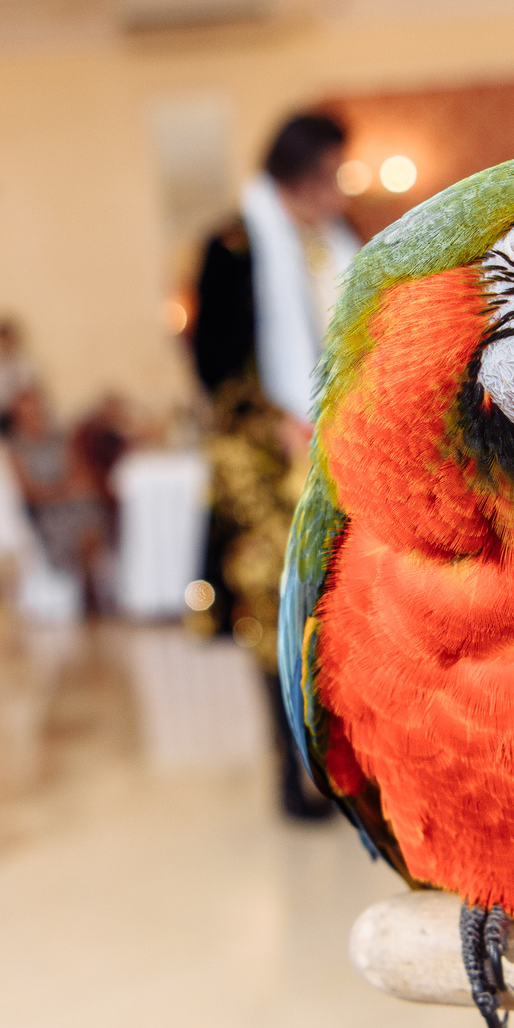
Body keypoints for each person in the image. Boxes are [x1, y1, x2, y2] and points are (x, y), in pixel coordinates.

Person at [188, 110, 359, 819]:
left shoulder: (338, 243)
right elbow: (212, 363)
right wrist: (277, 416)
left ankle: (345, 762)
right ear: (303, 169)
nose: (339, 186)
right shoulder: (234, 245)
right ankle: (292, 770)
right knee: (273, 607)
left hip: (337, 448)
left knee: (344, 605)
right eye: (330, 170)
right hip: (264, 460)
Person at [1, 388, 108, 608]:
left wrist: (73, 488)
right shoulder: (15, 449)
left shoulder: (60, 438)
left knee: (93, 519)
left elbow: (79, 472)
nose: (34, 415)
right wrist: (63, 490)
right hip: (46, 512)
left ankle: (90, 584)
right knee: (76, 532)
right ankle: (88, 589)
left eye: (36, 409)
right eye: (27, 412)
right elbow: (30, 493)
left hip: (73, 504)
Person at [0, 316, 41, 437]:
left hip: (24, 423)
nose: (5, 345)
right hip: (1, 422)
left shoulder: (25, 366)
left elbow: (30, 394)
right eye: (2, 341)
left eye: (8, 340)